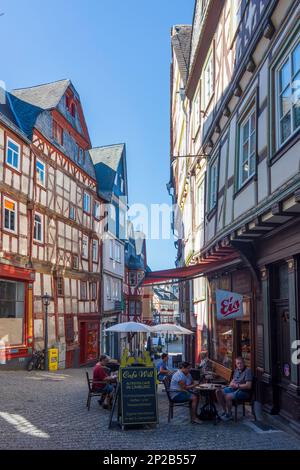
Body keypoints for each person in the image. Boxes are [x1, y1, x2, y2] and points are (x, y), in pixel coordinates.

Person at [215, 356, 253, 421]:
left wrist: (237, 386)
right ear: (236, 364)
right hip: (234, 388)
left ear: (244, 363)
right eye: (238, 363)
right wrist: (231, 384)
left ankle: (229, 415)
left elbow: (248, 385)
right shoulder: (236, 370)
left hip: (244, 391)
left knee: (227, 396)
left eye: (241, 363)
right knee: (218, 391)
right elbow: (233, 380)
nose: (239, 365)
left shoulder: (248, 371)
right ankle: (225, 411)